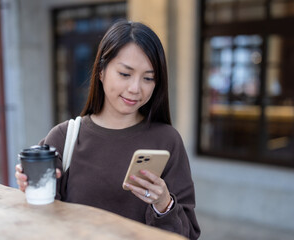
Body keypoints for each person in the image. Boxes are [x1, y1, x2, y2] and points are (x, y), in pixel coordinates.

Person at [15, 19, 200, 240]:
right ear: (101, 72)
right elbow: (42, 224)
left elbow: (188, 233)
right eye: (125, 74)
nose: (135, 89)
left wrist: (164, 204)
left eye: (148, 78)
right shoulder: (64, 138)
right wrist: (31, 189)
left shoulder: (167, 141)